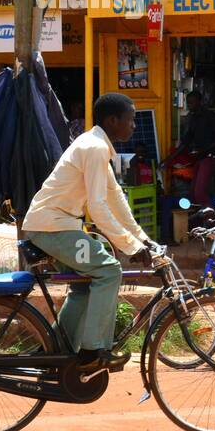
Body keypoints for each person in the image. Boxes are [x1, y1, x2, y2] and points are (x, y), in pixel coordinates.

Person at [21, 93, 157, 372]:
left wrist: (143, 239)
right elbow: (97, 207)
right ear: (112, 120)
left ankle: (56, 348)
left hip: (54, 224)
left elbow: (115, 198)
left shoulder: (96, 145)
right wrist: (131, 247)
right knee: (109, 270)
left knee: (84, 284)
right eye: (130, 120)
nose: (133, 125)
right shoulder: (94, 148)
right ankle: (94, 350)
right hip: (52, 226)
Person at [165, 91, 215, 207]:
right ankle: (198, 221)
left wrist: (204, 150)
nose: (189, 105)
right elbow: (186, 142)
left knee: (199, 192)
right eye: (188, 103)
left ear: (200, 102)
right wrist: (169, 159)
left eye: (192, 103)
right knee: (192, 194)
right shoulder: (193, 118)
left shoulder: (209, 116)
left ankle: (210, 218)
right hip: (200, 158)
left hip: (210, 157)